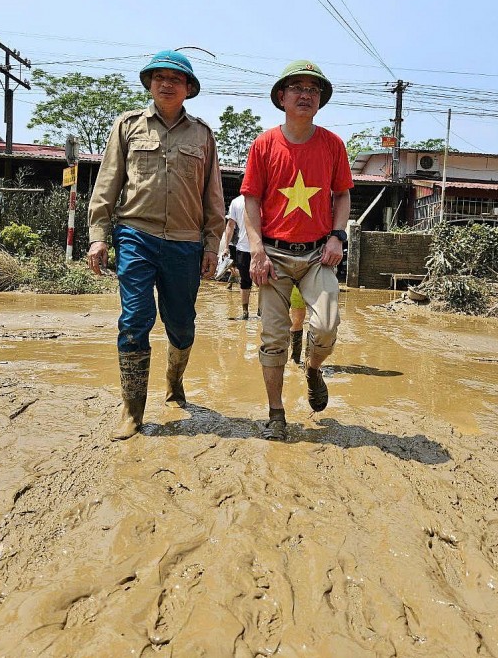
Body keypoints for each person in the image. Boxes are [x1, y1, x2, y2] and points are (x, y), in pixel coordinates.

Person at [87, 50, 225, 441]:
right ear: (149, 83)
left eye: (176, 79)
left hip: (185, 243)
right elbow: (107, 184)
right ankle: (132, 411)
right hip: (135, 234)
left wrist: (212, 245)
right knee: (134, 319)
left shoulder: (202, 135)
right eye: (159, 77)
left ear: (188, 89)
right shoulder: (127, 126)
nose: (166, 84)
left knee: (181, 324)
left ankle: (174, 380)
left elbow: (213, 198)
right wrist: (99, 236)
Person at [241, 60, 353, 441]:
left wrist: (338, 236)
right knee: (272, 339)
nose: (306, 95)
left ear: (320, 100)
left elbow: (342, 194)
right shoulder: (264, 144)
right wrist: (256, 250)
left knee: (324, 327)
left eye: (313, 89)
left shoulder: (333, 145)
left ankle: (313, 368)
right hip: (273, 256)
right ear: (281, 97)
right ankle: (276, 413)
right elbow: (252, 200)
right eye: (297, 88)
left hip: (318, 254)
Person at [220, 193, 253, 319]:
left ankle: (261, 312)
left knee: (263, 281)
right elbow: (230, 226)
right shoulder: (236, 202)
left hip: (261, 247)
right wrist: (226, 247)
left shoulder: (264, 198)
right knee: (245, 281)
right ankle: (245, 312)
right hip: (243, 247)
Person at [289, 285, 307, 364]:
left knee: (319, 322)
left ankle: (310, 361)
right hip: (296, 281)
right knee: (297, 320)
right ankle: (295, 356)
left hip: (319, 279)